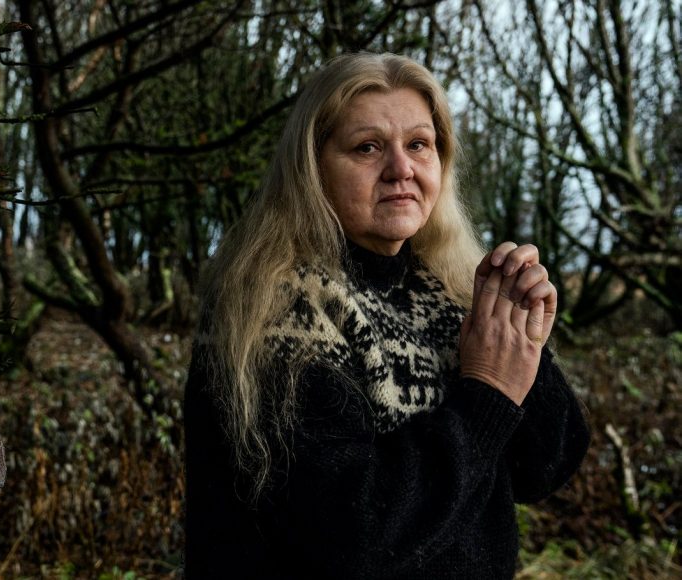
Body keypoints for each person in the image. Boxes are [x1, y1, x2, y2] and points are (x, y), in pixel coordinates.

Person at [183, 52, 590, 578]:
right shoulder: (277, 307)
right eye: (367, 147)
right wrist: (489, 391)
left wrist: (524, 350)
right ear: (312, 168)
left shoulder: (448, 288)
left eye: (419, 144)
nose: (401, 170)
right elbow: (349, 535)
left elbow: (543, 471)